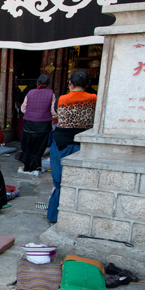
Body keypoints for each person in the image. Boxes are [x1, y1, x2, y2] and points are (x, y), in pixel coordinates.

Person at [47, 70, 96, 223]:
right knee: (82, 179)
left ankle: (54, 215)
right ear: (87, 85)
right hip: (84, 142)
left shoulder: (62, 99)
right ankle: (78, 216)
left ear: (70, 83)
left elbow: (56, 113)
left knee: (60, 179)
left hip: (62, 142)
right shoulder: (94, 99)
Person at [19, 74, 56, 173]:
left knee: (28, 145)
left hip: (29, 124)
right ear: (48, 84)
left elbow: (23, 108)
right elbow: (53, 111)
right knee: (39, 146)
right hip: (43, 125)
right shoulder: (51, 94)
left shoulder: (30, 93)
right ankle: (36, 167)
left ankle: (27, 167)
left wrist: (31, 114)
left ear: (37, 83)